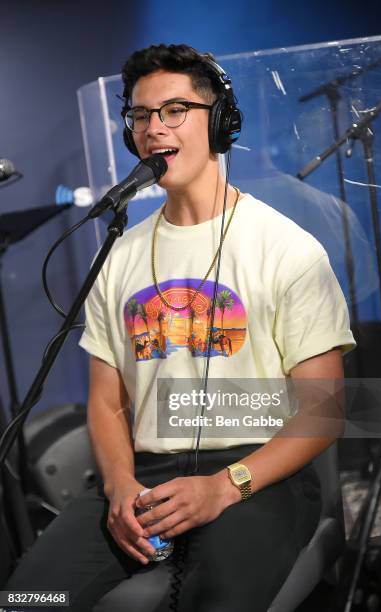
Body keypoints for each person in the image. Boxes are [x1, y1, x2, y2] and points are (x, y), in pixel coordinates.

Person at [6, 43, 355, 611]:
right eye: (140, 116)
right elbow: (107, 399)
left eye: (174, 110)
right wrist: (120, 487)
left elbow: (326, 410)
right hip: (145, 478)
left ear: (217, 123)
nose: (152, 128)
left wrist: (223, 486)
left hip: (255, 476)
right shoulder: (117, 256)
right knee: (25, 600)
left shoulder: (288, 249)